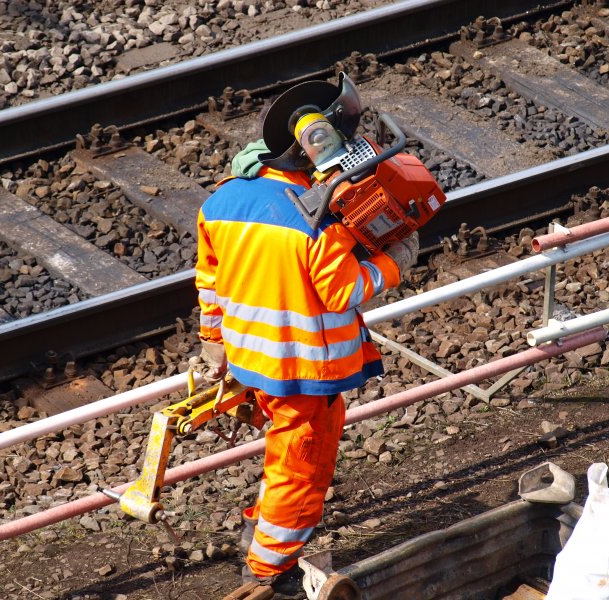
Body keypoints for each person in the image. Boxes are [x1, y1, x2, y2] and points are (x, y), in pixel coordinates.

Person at [194, 74, 418, 598]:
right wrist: (393, 263)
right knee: (302, 472)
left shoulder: (222, 201)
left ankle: (263, 529)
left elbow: (210, 283)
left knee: (283, 456)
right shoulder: (318, 223)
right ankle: (269, 571)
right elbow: (343, 290)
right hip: (304, 373)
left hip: (253, 361)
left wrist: (213, 344)